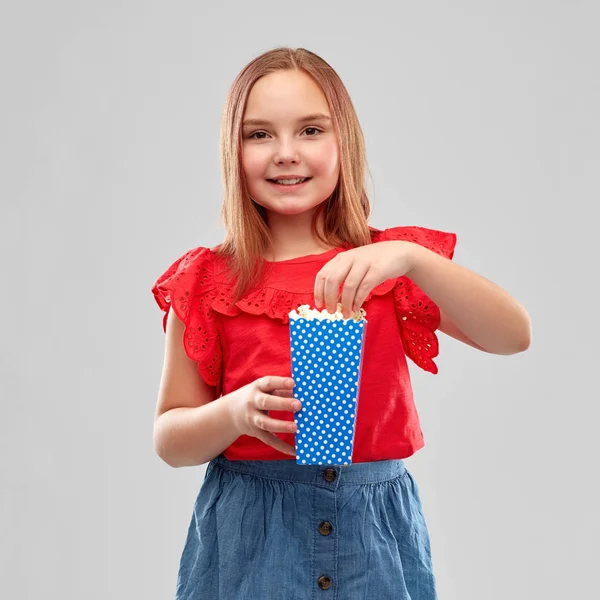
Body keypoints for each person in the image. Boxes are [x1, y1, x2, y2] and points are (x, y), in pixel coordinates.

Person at [151, 47, 531, 600]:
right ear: (231, 150)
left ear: (343, 141)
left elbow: (513, 335)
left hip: (373, 534)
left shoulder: (390, 264)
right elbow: (169, 438)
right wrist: (234, 412)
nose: (285, 154)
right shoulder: (208, 280)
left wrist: (413, 258)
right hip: (251, 538)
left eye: (310, 130)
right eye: (259, 134)